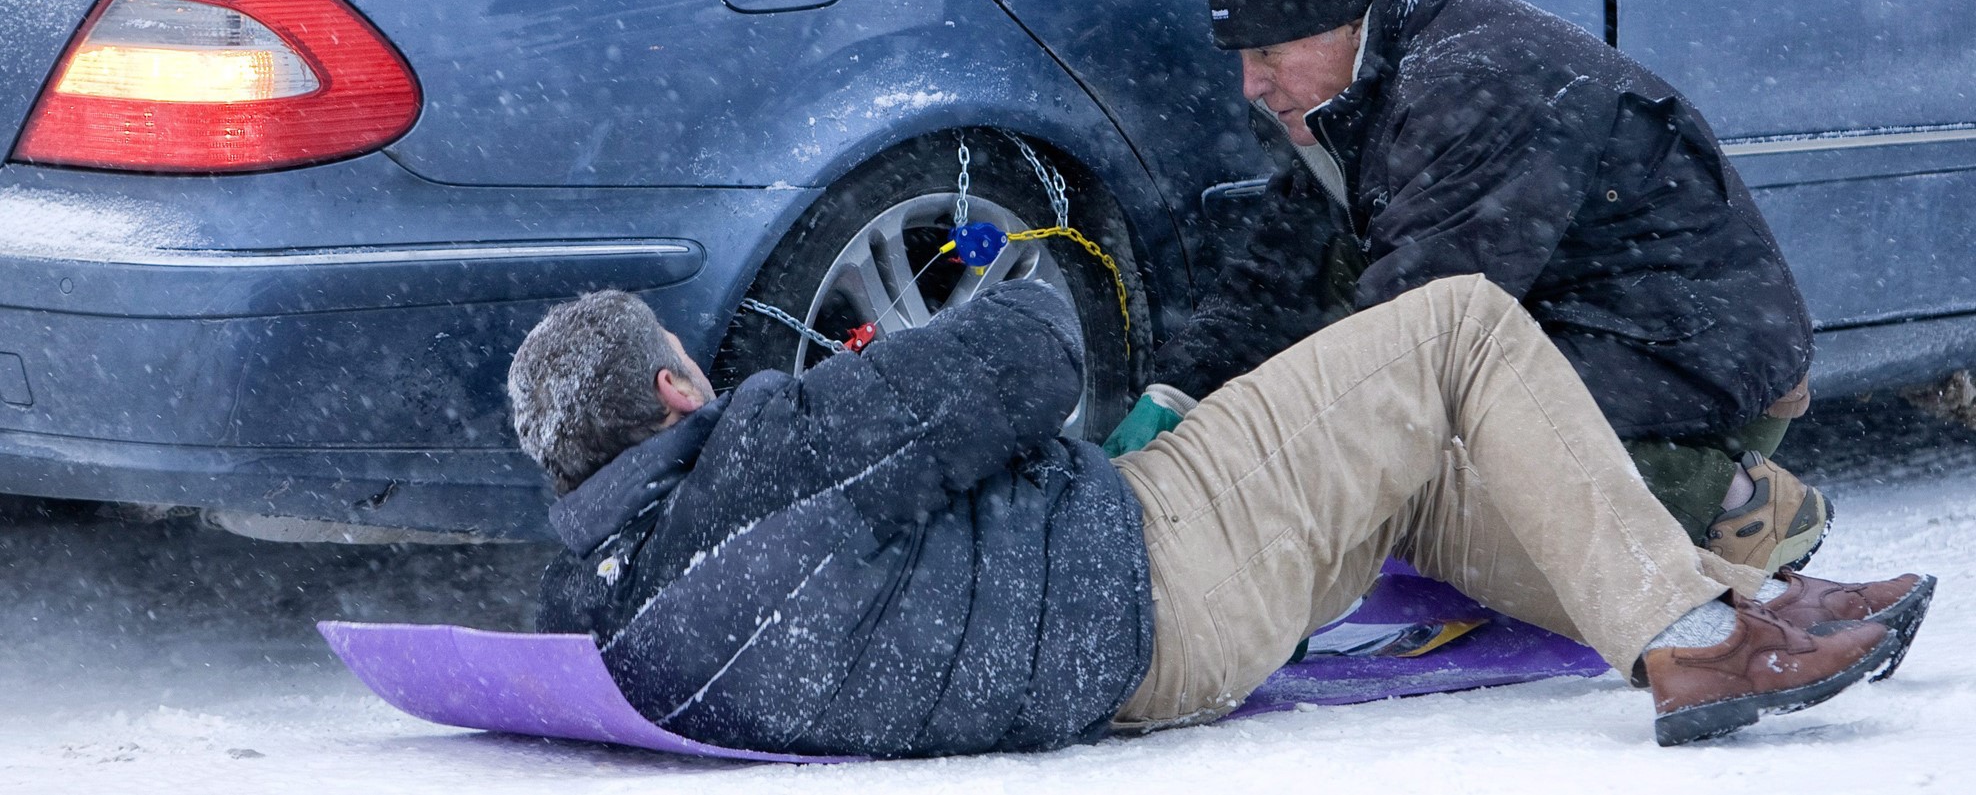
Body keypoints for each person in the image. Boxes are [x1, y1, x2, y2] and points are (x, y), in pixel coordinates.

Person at [507, 278, 1933, 757]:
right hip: (1157, 558)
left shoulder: (623, 608)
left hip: (1112, 664)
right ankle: (1690, 639)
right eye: (691, 365)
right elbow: (1035, 343)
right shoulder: (764, 451)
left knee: (1414, 461)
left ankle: (1731, 602)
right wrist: (908, 361)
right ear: (673, 386)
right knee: (1460, 331)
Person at [1122, 0, 1825, 575]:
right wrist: (1180, 391)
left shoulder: (1476, 83)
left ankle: (1728, 503)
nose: (1251, 84)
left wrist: (1259, 477)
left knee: (1436, 442)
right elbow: (1282, 269)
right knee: (1344, 305)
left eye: (1269, 53)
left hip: (1690, 357)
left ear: (1344, 26)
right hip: (1590, 323)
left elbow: (1412, 349)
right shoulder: (1362, 79)